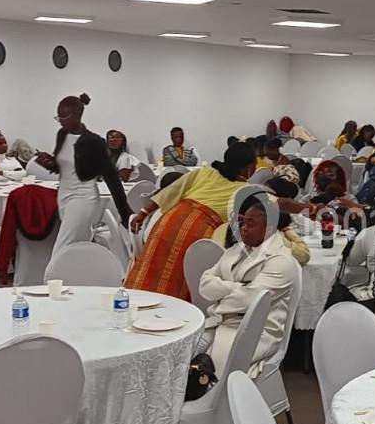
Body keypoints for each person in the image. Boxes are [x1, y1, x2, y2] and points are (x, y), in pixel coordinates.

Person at [127, 143, 255, 298]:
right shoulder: (245, 190)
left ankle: (136, 306)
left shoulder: (205, 172)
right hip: (198, 231)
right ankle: (172, 315)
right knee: (180, 277)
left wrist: (143, 213)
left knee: (151, 268)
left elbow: (171, 190)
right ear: (247, 168)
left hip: (170, 221)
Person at [197, 192, 297, 378]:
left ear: (269, 228)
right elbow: (204, 285)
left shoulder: (282, 261)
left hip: (256, 331)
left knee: (212, 370)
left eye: (251, 224)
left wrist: (224, 288)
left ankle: (219, 405)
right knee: (182, 352)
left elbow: (250, 300)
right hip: (221, 321)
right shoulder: (238, 249)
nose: (243, 228)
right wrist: (238, 286)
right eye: (243, 222)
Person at [33, 94, 130, 256]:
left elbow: (111, 177)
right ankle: (86, 276)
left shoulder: (94, 142)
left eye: (64, 117)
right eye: (58, 117)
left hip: (83, 198)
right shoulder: (62, 135)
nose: (61, 121)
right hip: (63, 196)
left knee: (62, 248)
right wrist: (50, 162)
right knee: (80, 244)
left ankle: (51, 279)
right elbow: (65, 167)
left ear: (77, 115)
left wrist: (125, 213)